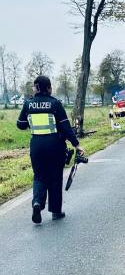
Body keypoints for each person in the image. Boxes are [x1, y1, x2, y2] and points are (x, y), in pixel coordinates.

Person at [16, 75, 84, 224]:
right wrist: (77, 145)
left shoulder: (28, 104)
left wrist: (30, 120)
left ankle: (37, 203)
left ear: (36, 87)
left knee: (39, 176)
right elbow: (66, 128)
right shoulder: (55, 104)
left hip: (37, 146)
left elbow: (20, 124)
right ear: (48, 88)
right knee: (55, 177)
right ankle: (55, 212)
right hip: (55, 145)